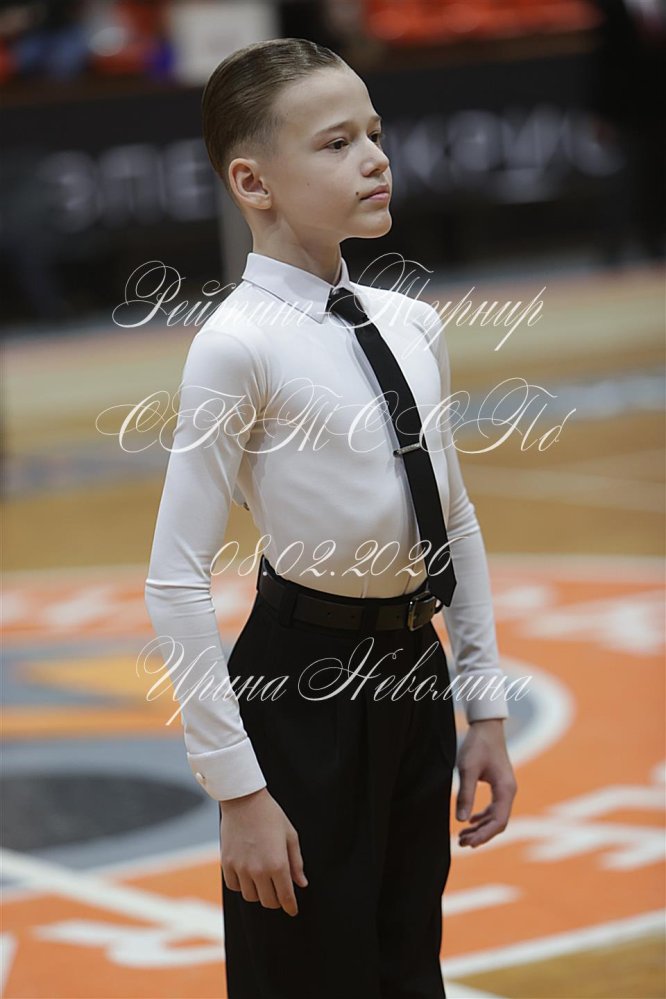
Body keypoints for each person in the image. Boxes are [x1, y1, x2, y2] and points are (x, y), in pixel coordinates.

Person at [144, 37, 517, 999]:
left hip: (413, 674)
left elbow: (454, 517)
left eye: (375, 134)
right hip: (300, 690)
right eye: (337, 142)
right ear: (253, 181)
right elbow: (175, 579)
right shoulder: (236, 346)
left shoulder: (412, 323)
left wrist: (483, 706)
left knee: (407, 969)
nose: (375, 159)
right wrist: (239, 789)